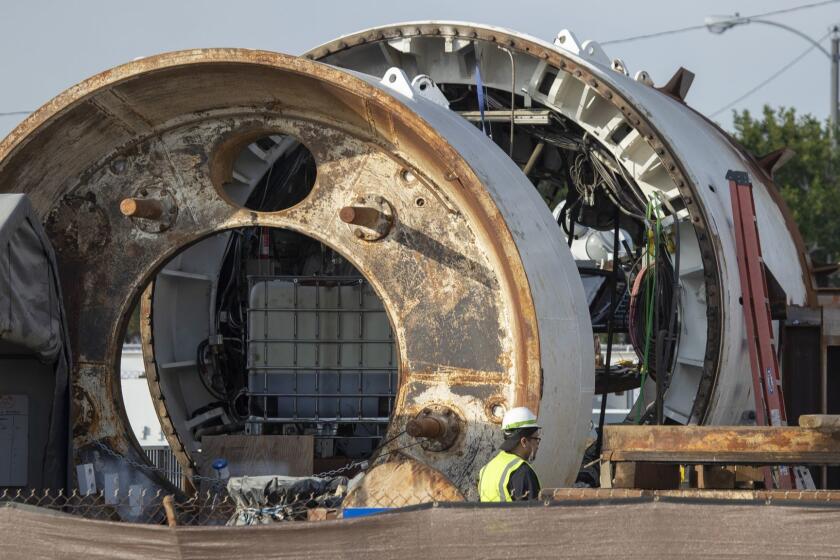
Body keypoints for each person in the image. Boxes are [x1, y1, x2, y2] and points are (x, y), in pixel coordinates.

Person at [478, 407, 542, 502]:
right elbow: (532, 514)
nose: (538, 444)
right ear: (524, 442)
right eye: (536, 439)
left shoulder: (486, 469)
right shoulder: (522, 472)